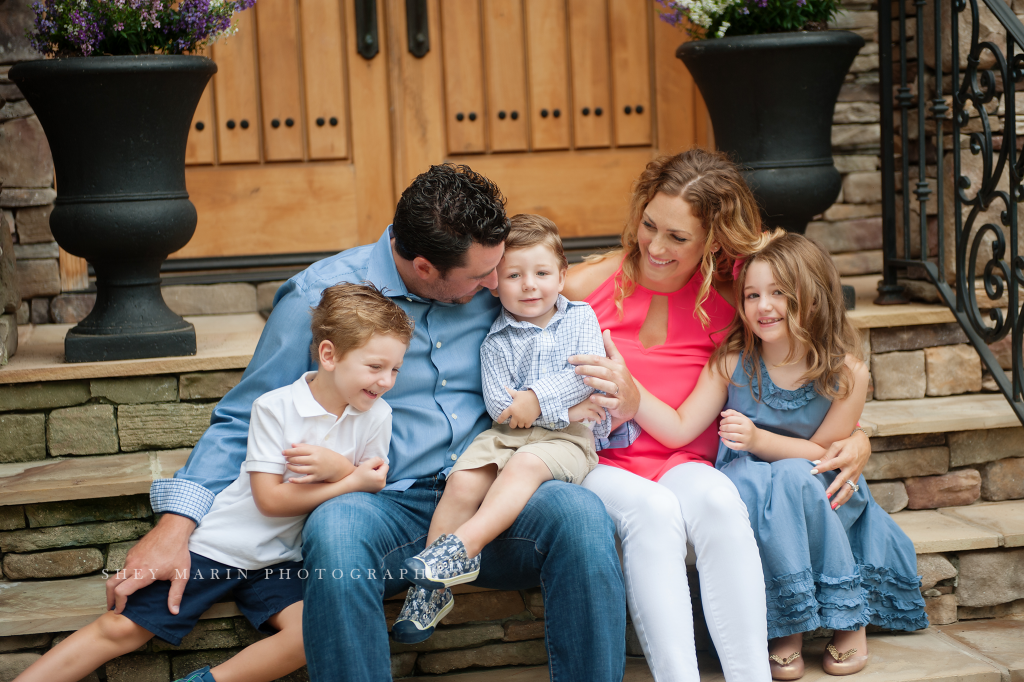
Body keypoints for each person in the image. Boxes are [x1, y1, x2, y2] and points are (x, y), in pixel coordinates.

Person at [109, 164, 629, 682]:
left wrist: (617, 396)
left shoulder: (500, 289)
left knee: (581, 516)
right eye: (482, 276)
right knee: (336, 528)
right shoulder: (321, 299)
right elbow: (245, 416)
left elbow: (574, 300)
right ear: (425, 267)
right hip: (381, 500)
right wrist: (177, 523)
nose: (498, 285)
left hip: (486, 492)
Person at [563, 148, 874, 682]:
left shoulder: (738, 294)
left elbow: (807, 360)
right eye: (649, 226)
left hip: (686, 456)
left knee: (719, 500)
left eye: (678, 238)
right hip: (603, 457)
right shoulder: (582, 287)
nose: (656, 247)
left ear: (713, 240)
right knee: (656, 513)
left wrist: (859, 436)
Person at [15, 283, 406, 682]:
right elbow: (270, 499)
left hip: (281, 560)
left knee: (315, 633)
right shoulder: (276, 407)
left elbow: (371, 479)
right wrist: (349, 477)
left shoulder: (377, 416)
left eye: (395, 369)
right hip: (219, 547)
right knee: (120, 628)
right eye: (375, 367)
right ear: (329, 355)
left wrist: (340, 468)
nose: (387, 381)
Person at [634, 233, 927, 679]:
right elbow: (678, 426)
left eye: (779, 294)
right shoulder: (732, 363)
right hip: (751, 486)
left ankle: (846, 620)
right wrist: (628, 391)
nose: (763, 306)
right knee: (771, 481)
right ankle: (788, 624)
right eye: (752, 295)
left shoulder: (845, 373)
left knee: (793, 476)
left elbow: (825, 453)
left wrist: (757, 440)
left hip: (818, 481)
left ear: (813, 298)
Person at [393, 214, 612, 642]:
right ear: (495, 282)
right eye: (514, 275)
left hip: (567, 440)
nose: (529, 285)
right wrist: (562, 408)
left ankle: (463, 550)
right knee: (462, 481)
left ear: (563, 275)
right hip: (508, 434)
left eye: (542, 273)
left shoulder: (580, 319)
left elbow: (586, 373)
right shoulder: (495, 340)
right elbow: (499, 407)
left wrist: (532, 400)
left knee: (527, 464)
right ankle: (429, 590)